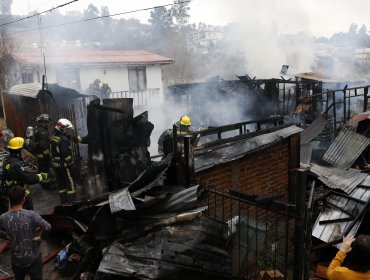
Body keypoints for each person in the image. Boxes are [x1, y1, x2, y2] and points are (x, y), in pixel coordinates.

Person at [0, 185, 51, 280]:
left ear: (9, 200)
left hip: (16, 260)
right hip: (33, 259)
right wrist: (41, 237)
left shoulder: (3, 217)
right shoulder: (31, 215)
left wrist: (5, 235)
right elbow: (48, 227)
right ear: (23, 200)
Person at [0, 137, 48, 214]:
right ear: (18, 150)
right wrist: (41, 176)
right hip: (18, 192)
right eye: (22, 149)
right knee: (26, 209)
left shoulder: (8, 159)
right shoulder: (15, 164)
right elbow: (27, 178)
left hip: (11, 190)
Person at [50, 118, 77, 204]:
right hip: (63, 165)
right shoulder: (64, 139)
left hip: (55, 164)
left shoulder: (55, 138)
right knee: (70, 183)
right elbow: (65, 153)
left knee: (61, 183)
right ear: (62, 128)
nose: (67, 131)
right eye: (67, 129)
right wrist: (71, 164)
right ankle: (72, 203)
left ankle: (64, 202)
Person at [26, 114, 52, 179]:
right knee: (45, 169)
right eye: (47, 122)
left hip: (39, 154)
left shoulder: (37, 128)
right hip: (43, 154)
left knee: (41, 168)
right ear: (44, 122)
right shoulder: (42, 131)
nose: (49, 124)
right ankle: (46, 183)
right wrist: (49, 149)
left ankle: (42, 180)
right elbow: (43, 145)